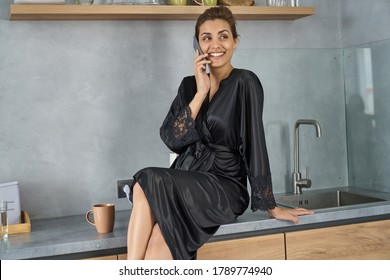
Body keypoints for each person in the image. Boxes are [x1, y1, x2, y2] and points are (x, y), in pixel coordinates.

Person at [126, 6, 313, 260]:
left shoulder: (245, 82)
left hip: (225, 187)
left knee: (144, 181)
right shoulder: (189, 85)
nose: (216, 44)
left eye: (223, 36)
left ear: (235, 42)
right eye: (207, 38)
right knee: (160, 238)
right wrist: (200, 93)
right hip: (189, 180)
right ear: (198, 45)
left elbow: (255, 142)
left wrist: (270, 206)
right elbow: (172, 140)